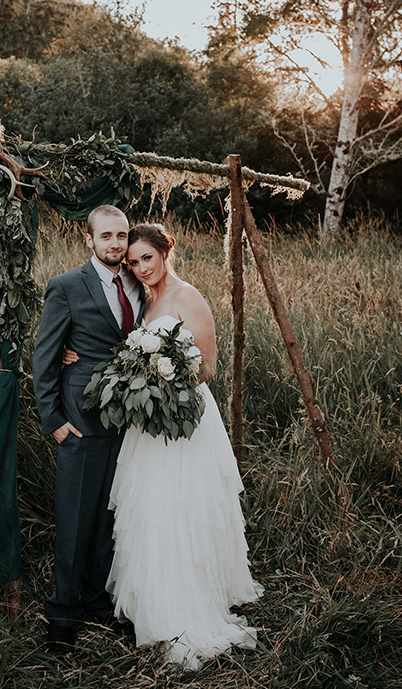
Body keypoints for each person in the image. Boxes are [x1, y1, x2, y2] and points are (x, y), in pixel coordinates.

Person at [106, 223, 263, 669]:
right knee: (149, 506)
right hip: (149, 421)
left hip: (184, 417)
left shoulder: (188, 296)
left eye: (146, 259)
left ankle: (188, 602)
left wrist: (162, 382)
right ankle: (150, 600)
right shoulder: (144, 299)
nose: (140, 269)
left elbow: (207, 366)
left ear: (164, 252)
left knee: (183, 506)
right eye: (133, 263)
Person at [33, 204, 144, 649]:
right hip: (80, 421)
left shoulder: (139, 281)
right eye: (107, 236)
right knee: (75, 518)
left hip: (132, 424)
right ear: (90, 240)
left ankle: (100, 602)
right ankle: (63, 612)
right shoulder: (65, 287)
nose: (116, 243)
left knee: (111, 518)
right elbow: (45, 356)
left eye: (121, 236)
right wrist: (53, 419)